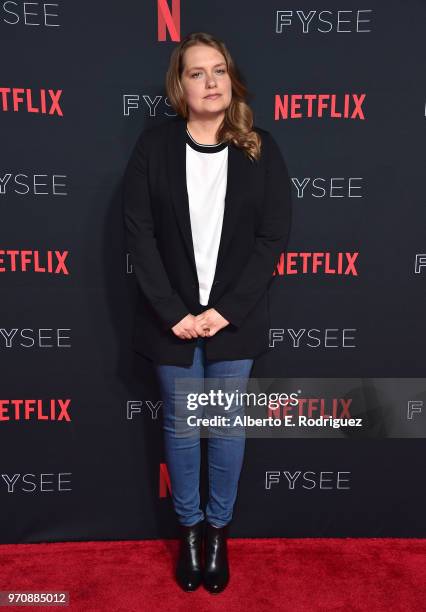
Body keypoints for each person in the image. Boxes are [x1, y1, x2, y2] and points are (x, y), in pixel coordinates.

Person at [122, 31, 292, 594]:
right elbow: (139, 234)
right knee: (181, 425)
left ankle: (218, 532)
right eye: (197, 72)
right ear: (181, 85)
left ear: (231, 78)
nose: (211, 82)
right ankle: (189, 530)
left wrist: (226, 312)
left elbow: (273, 236)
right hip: (169, 319)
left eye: (218, 70)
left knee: (224, 429)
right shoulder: (155, 148)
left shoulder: (258, 147)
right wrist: (173, 312)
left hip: (232, 322)